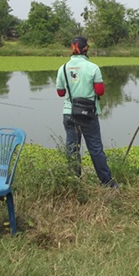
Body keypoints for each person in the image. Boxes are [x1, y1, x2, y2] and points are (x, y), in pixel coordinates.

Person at [56, 36, 118, 188]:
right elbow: (100, 91)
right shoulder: (93, 68)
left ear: (72, 49)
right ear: (86, 49)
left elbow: (60, 92)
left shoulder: (63, 68)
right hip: (88, 114)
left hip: (69, 113)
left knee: (72, 149)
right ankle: (106, 182)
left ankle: (74, 182)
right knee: (95, 149)